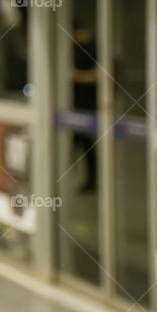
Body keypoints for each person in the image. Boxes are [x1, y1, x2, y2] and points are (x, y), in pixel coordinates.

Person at [71, 20, 98, 193]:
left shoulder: (93, 50)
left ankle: (92, 181)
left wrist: (76, 76)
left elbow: (99, 75)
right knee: (78, 143)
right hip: (75, 105)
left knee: (87, 145)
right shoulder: (74, 50)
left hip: (89, 105)